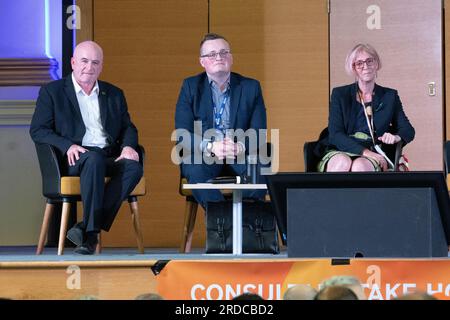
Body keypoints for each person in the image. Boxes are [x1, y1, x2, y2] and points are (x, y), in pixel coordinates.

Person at [30, 41, 143, 255]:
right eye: (84, 61)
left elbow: (128, 127)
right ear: (73, 62)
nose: (89, 67)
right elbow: (38, 130)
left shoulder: (114, 93)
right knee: (93, 159)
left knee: (134, 167)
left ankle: (85, 227)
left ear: (101, 67)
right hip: (76, 157)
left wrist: (128, 146)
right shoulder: (52, 92)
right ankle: (91, 236)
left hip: (107, 154)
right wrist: (67, 145)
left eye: (95, 63)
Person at [175, 33, 268, 209]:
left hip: (239, 152)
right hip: (205, 154)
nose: (219, 57)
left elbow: (259, 131)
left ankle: (245, 224)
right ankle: (222, 226)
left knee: (259, 168)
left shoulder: (250, 87)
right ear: (202, 62)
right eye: (211, 54)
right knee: (195, 169)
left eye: (224, 52)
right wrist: (211, 146)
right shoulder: (190, 86)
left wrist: (239, 146)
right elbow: (183, 134)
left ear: (231, 58)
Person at [319, 43, 415, 172]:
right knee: (341, 163)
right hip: (341, 149)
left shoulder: (389, 96)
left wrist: (396, 137)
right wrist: (366, 153)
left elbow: (408, 130)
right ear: (353, 68)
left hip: (372, 150)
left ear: (377, 64)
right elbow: (335, 134)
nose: (365, 67)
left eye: (370, 61)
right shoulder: (340, 94)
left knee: (360, 167)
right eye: (359, 63)